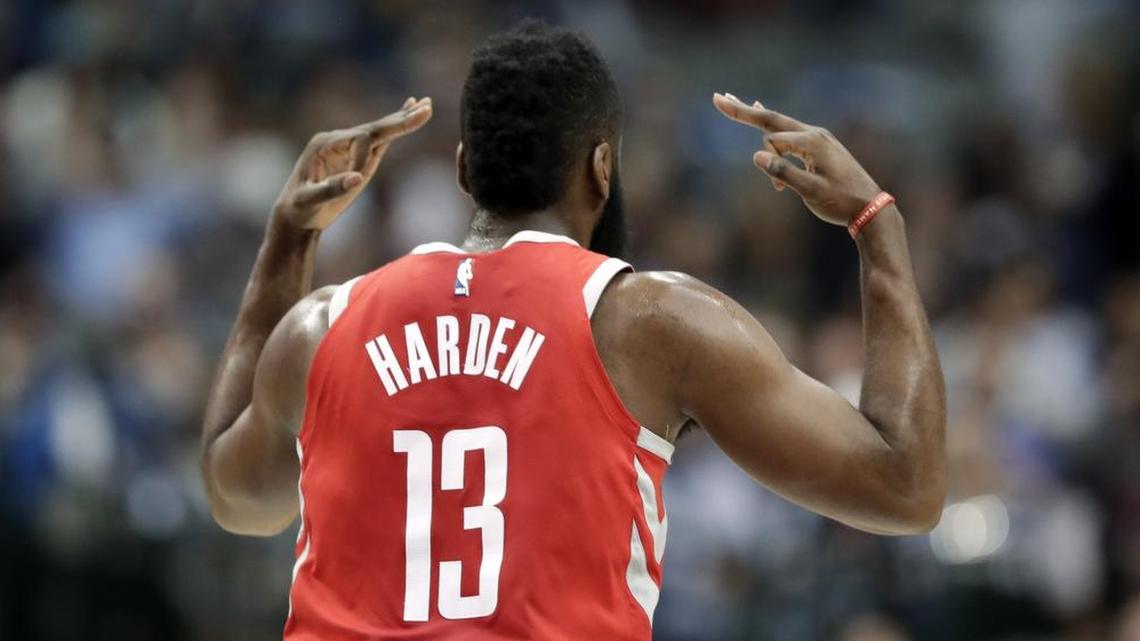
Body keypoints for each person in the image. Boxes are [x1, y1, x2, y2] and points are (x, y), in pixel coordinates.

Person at [200, 21, 946, 641]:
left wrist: (288, 240)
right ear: (601, 169)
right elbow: (905, 488)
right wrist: (876, 225)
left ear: (464, 170)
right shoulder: (648, 320)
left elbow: (237, 499)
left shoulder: (322, 326)